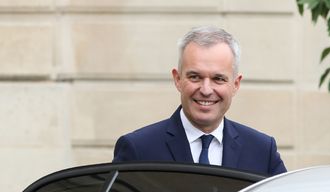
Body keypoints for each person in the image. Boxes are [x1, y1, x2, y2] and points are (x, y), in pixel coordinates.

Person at [113, 26, 286, 176]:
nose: (206, 90)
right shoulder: (139, 149)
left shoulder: (262, 151)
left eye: (218, 79)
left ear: (235, 84)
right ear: (177, 79)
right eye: (195, 77)